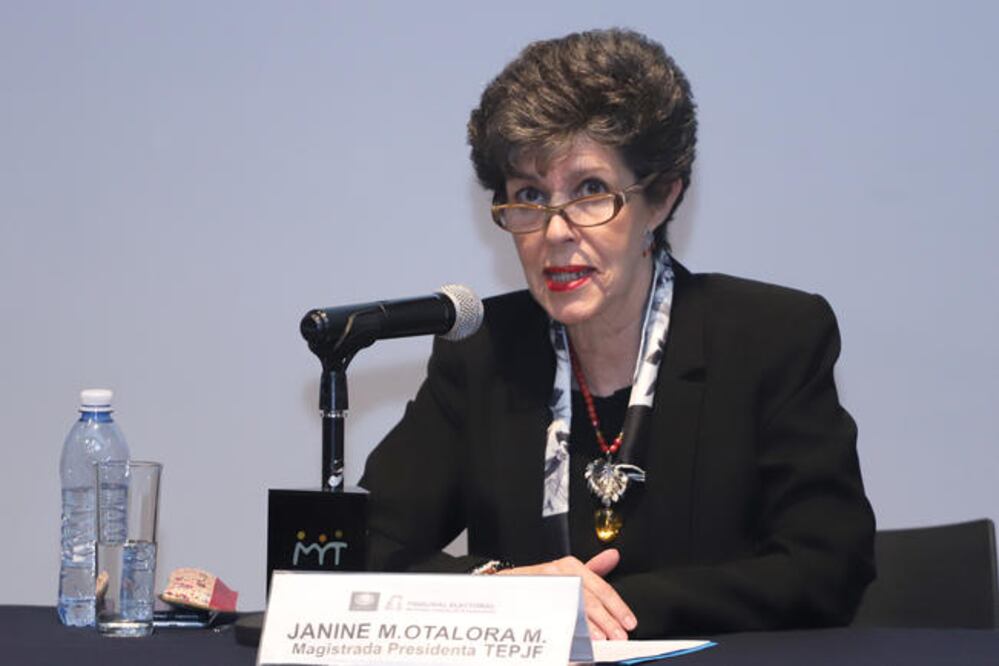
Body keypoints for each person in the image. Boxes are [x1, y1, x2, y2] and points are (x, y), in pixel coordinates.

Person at [359, 28, 875, 640]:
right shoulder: (484, 351)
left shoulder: (770, 337)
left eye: (590, 191)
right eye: (528, 196)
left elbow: (826, 568)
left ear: (660, 199)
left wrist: (608, 610)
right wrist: (497, 592)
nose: (554, 231)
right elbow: (365, 545)